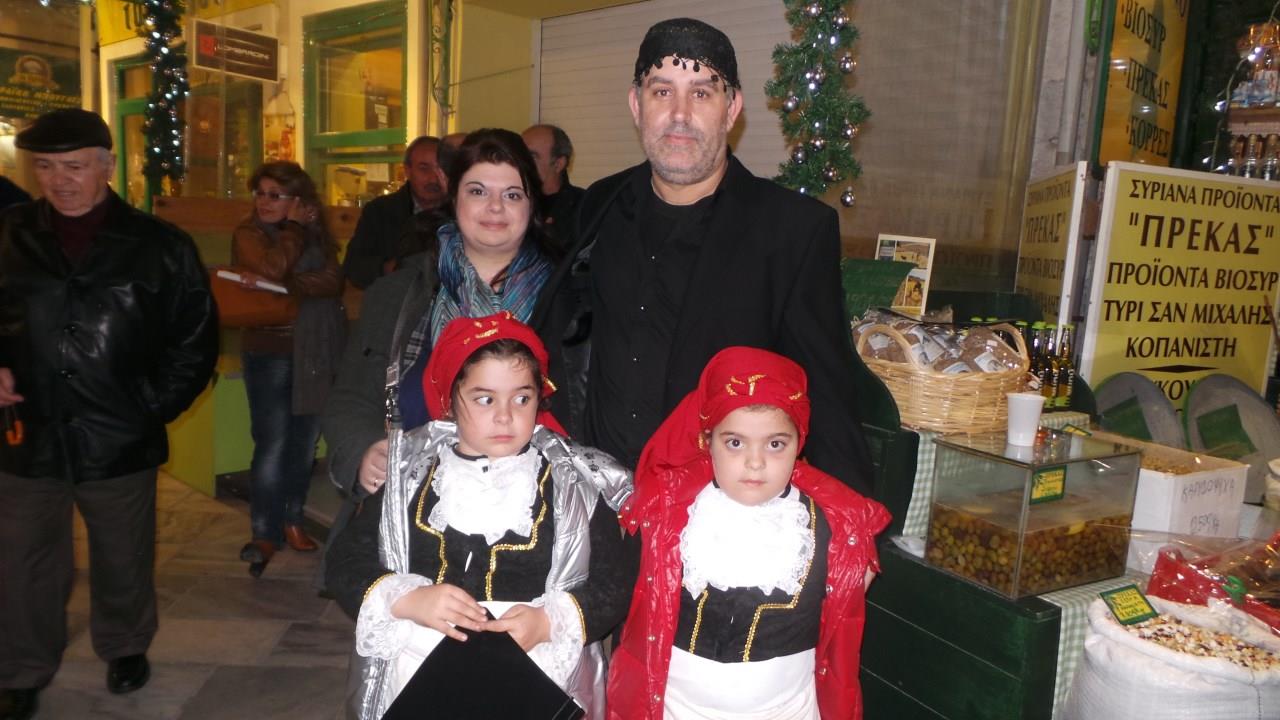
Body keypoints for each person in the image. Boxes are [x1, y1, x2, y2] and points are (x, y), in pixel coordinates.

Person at [533, 18, 876, 496]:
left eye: (701, 93)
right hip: (594, 496)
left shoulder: (793, 231)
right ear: (636, 105)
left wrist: (845, 519)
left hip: (712, 513)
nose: (679, 114)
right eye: (661, 92)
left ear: (731, 109)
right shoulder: (600, 204)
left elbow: (824, 393)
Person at [0, 108, 218, 719]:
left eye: (73, 166)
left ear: (108, 166)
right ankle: (21, 667)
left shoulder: (160, 245)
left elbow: (194, 339)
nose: (59, 180)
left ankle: (124, 646)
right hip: (26, 431)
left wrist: (150, 407)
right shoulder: (8, 234)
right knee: (22, 559)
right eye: (46, 167)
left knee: (123, 553)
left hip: (119, 434)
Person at [325, 312, 633, 719]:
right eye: (484, 398)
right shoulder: (408, 479)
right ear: (450, 401)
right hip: (419, 676)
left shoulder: (575, 485)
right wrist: (408, 599)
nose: (505, 416)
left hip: (537, 679)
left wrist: (550, 622)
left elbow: (615, 581)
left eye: (521, 398)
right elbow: (346, 560)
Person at [607, 347, 890, 719]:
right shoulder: (664, 514)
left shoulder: (837, 532)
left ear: (799, 443)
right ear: (708, 441)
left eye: (775, 444)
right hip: (675, 708)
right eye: (735, 443)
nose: (755, 463)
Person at [322, 128, 558, 520]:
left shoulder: (569, 303)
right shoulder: (397, 296)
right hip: (411, 515)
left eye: (512, 194)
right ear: (454, 197)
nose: (495, 207)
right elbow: (350, 399)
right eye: (478, 191)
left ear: (532, 204)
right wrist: (363, 451)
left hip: (532, 518)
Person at [235, 161, 345, 577]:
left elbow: (332, 281)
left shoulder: (315, 234)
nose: (264, 202)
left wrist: (288, 286)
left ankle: (293, 519)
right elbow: (270, 268)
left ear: (299, 201)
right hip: (270, 350)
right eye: (260, 193)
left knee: (303, 443)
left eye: (275, 195)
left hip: (314, 349)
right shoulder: (248, 234)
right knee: (272, 443)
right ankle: (264, 531)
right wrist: (293, 233)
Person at [344, 136, 448, 289]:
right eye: (424, 168)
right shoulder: (380, 211)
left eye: (440, 169)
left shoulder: (462, 212)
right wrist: (392, 268)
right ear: (407, 171)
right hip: (396, 297)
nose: (433, 178)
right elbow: (354, 267)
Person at [522, 124, 584, 251]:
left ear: (558, 164)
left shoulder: (583, 207)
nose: (521, 162)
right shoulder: (510, 202)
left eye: (532, 157)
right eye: (519, 155)